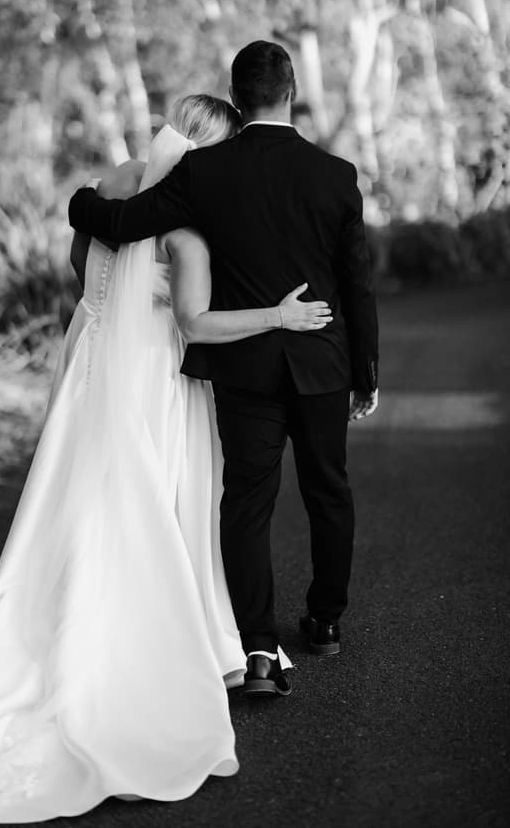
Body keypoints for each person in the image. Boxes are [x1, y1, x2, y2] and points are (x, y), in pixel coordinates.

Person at [0, 94, 333, 822]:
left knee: (78, 494)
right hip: (154, 377)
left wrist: (106, 318)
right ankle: (149, 643)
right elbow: (195, 319)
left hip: (90, 361)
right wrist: (279, 315)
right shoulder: (188, 227)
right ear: (210, 149)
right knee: (153, 500)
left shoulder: (109, 186)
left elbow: (85, 267)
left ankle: (56, 625)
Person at [69, 40, 380, 698]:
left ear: (237, 97)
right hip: (322, 360)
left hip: (245, 368)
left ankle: (259, 648)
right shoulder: (336, 174)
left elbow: (123, 223)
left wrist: (79, 203)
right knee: (329, 490)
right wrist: (366, 372)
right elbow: (359, 285)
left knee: (245, 502)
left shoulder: (204, 172)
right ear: (291, 88)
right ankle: (324, 620)